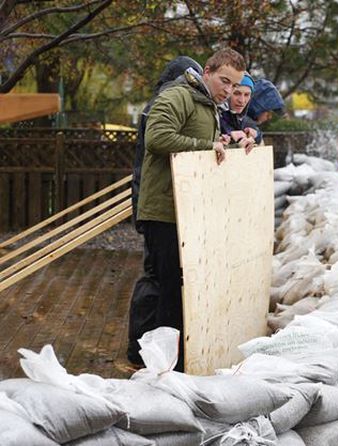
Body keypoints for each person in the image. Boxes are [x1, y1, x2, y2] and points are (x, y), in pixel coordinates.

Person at [135, 48, 246, 371]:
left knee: (182, 289)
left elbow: (207, 150)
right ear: (207, 71)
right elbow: (156, 138)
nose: (228, 90)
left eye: (234, 84)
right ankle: (161, 368)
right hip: (164, 211)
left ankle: (176, 362)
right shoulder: (178, 96)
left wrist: (233, 145)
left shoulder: (206, 104)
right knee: (169, 290)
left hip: (187, 212)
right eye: (224, 80)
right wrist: (205, 146)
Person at [127, 55, 203, 366]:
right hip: (155, 202)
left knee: (156, 278)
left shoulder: (158, 102)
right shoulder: (164, 104)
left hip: (150, 199)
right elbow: (158, 146)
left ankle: (144, 350)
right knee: (156, 280)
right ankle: (142, 351)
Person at [219, 72, 262, 146]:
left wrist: (256, 136)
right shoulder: (214, 116)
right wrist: (230, 138)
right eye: (236, 93)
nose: (242, 100)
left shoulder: (245, 120)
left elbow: (259, 137)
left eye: (247, 95)